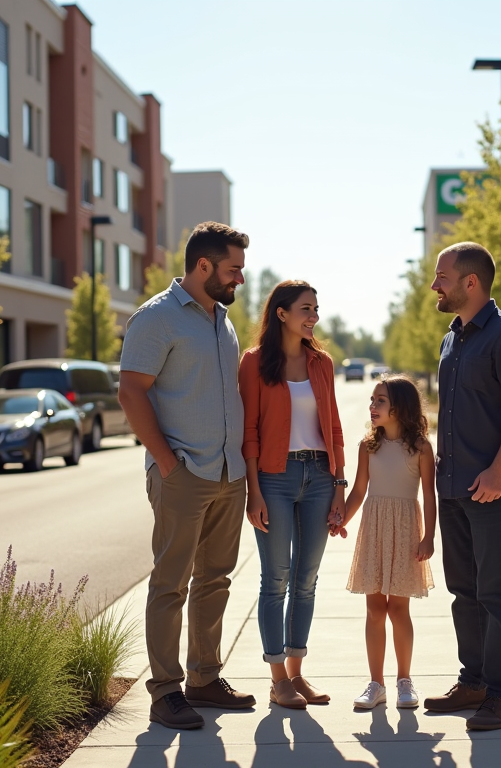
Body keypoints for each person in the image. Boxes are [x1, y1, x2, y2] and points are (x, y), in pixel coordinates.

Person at [118, 221, 255, 730]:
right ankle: (166, 690)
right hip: (184, 471)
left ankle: (203, 678)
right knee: (171, 582)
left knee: (214, 580)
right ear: (203, 266)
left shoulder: (221, 319)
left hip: (227, 473)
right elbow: (131, 392)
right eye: (233, 269)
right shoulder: (156, 318)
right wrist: (166, 462)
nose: (239, 279)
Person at [424, 241, 501, 731]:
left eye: (442, 276)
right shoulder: (454, 336)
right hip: (452, 486)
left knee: (495, 590)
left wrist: (498, 470)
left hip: (493, 487)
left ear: (471, 282)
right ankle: (473, 682)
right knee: (464, 590)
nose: (435, 285)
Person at [239, 280, 347, 709]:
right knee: (276, 579)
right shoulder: (253, 363)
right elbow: (249, 432)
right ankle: (277, 678)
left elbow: (334, 426)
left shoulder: (322, 363)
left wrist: (340, 485)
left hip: (320, 476)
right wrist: (254, 491)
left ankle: (297, 674)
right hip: (275, 478)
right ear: (281, 313)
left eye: (316, 309)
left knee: (306, 580)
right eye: (306, 308)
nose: (313, 317)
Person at [334, 375, 436, 710]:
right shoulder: (368, 446)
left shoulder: (420, 447)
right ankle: (375, 684)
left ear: (400, 407)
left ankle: (404, 680)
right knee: (375, 608)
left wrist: (429, 536)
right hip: (375, 528)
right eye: (372, 400)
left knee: (399, 609)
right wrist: (341, 520)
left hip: (406, 530)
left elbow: (429, 496)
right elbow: (360, 491)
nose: (372, 406)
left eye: (380, 401)